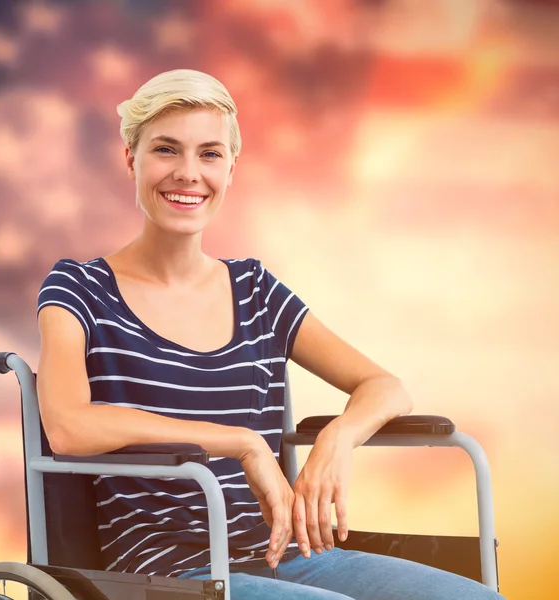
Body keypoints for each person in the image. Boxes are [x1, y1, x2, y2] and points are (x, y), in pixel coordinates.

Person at [36, 69, 504, 599]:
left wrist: (339, 437)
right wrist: (242, 444)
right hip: (169, 574)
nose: (188, 174)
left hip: (293, 555)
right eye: (166, 150)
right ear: (131, 159)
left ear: (232, 168)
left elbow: (385, 386)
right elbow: (69, 426)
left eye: (210, 154)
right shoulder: (79, 287)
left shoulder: (256, 290)